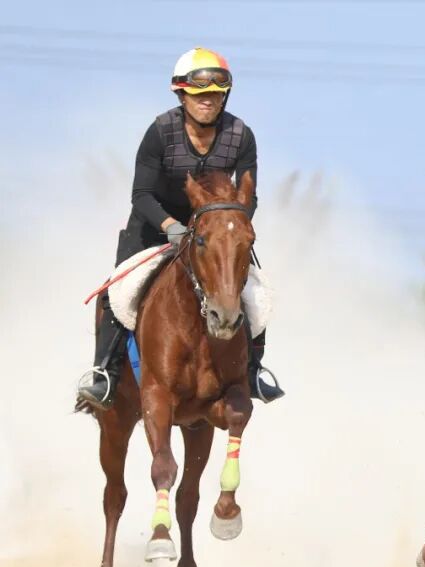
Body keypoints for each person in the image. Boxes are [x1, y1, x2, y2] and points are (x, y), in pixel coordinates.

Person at [77, 47, 284, 410]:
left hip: (217, 230)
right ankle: (105, 373)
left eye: (216, 95)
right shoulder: (160, 132)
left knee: (253, 291)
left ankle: (254, 370)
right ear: (181, 93)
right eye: (200, 94)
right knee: (117, 291)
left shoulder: (241, 135)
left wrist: (232, 225)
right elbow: (140, 194)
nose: (208, 101)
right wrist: (172, 227)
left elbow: (248, 196)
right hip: (155, 226)